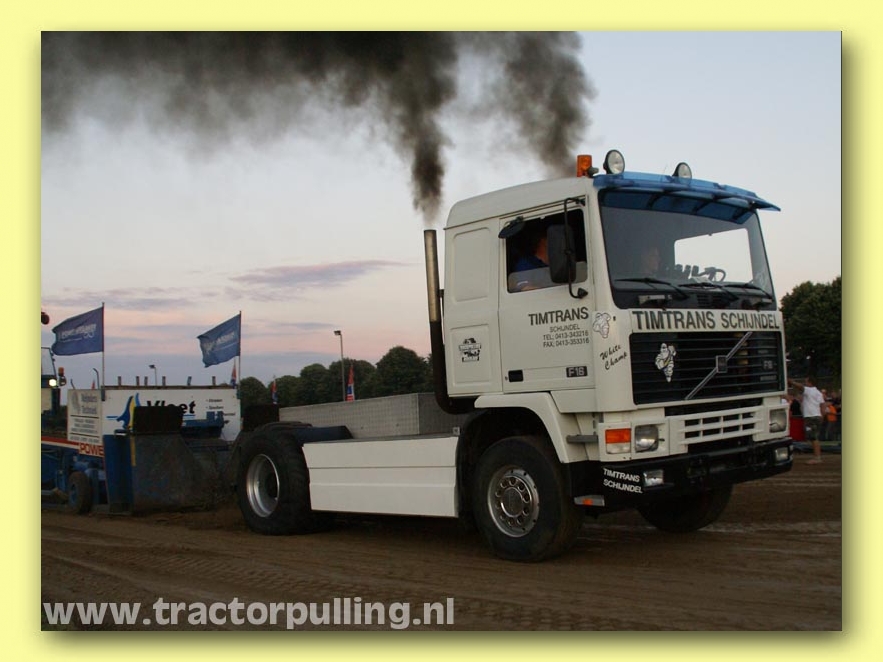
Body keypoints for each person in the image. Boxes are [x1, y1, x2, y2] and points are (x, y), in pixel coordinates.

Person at [788, 376, 826, 464]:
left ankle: (817, 458)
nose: (805, 383)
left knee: (813, 437)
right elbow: (823, 405)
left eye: (806, 381)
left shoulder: (809, 390)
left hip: (810, 416)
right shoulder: (818, 392)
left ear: (810, 382)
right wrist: (822, 416)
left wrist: (792, 382)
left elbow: (800, 387)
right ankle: (817, 456)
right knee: (813, 437)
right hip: (816, 415)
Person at [510, 226, 550, 292]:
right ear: (542, 241)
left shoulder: (556, 262)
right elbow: (524, 288)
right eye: (552, 238)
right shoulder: (525, 263)